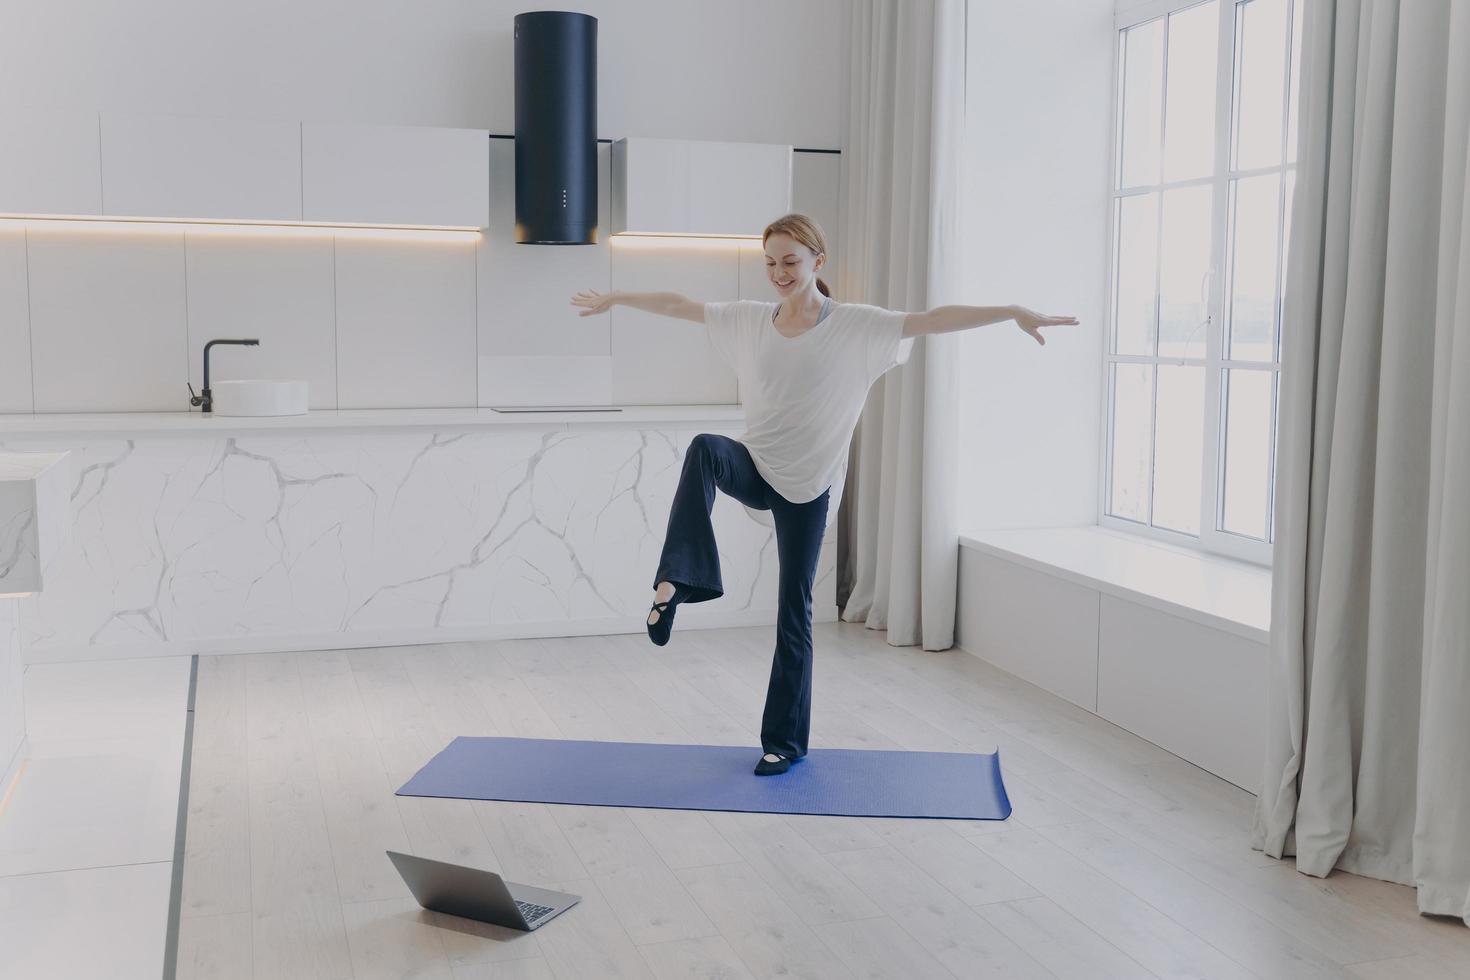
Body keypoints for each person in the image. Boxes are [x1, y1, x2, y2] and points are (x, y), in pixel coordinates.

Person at [571, 213, 1078, 776]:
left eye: (790, 261)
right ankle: (676, 585)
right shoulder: (749, 321)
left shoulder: (856, 326)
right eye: (770, 263)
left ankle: (782, 743)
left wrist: (1010, 312)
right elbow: (677, 304)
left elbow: (933, 319)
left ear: (818, 261)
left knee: (795, 609)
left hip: (808, 489)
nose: (779, 272)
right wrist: (617, 296)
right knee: (704, 448)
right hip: (756, 467)